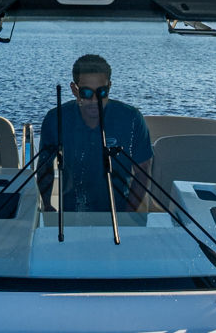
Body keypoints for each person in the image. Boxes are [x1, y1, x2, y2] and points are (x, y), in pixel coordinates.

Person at [36, 54, 155, 214]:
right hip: (71, 215)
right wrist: (47, 205)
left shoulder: (132, 119)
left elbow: (143, 171)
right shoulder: (55, 119)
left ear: (109, 87)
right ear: (74, 90)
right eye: (86, 92)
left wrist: (126, 215)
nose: (94, 100)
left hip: (119, 212)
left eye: (101, 92)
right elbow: (44, 168)